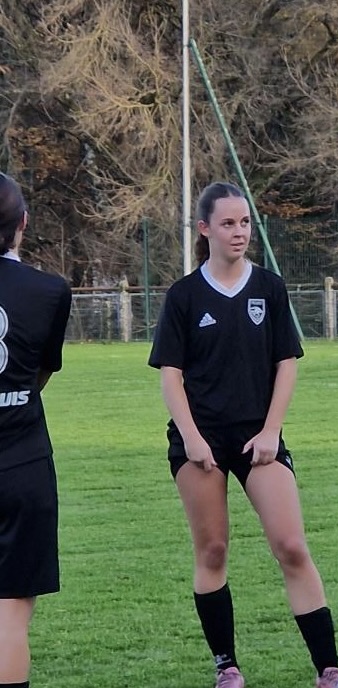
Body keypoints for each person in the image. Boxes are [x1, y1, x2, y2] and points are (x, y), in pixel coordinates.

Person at [148, 182, 338, 688]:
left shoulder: (270, 288)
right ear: (205, 229)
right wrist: (192, 438)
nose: (239, 232)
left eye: (244, 222)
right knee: (213, 550)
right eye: (228, 223)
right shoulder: (183, 295)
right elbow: (170, 376)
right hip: (200, 442)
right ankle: (227, 667)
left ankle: (329, 670)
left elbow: (287, 364)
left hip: (259, 437)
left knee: (292, 546)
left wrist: (271, 430)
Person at [0, 172, 72, 688]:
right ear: (23, 223)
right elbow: (39, 375)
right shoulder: (51, 291)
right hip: (21, 464)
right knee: (10, 613)